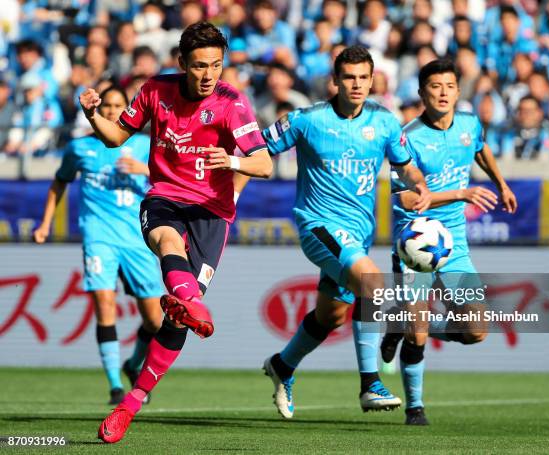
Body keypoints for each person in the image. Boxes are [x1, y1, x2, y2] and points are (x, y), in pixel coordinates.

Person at [81, 22, 272, 443]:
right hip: (165, 198)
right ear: (182, 63)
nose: (209, 75)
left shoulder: (231, 103)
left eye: (217, 66)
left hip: (212, 214)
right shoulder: (155, 90)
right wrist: (93, 114)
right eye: (200, 65)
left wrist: (234, 162)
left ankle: (130, 404)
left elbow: (264, 164)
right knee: (167, 240)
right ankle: (190, 301)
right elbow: (116, 138)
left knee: (177, 323)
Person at [261, 45, 431, 419]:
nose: (356, 84)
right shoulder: (306, 120)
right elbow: (256, 147)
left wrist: (419, 186)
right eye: (349, 77)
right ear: (334, 81)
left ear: (372, 81)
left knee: (331, 316)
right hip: (317, 225)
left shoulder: (385, 122)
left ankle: (282, 366)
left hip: (358, 234)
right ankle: (370, 383)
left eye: (363, 78)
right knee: (372, 282)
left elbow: (406, 167)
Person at [379, 59, 518, 425]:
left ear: (458, 90)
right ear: (422, 93)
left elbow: (480, 149)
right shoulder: (408, 138)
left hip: (453, 243)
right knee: (420, 331)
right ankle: (415, 408)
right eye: (435, 87)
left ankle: (399, 323)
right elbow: (405, 199)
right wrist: (461, 193)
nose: (442, 93)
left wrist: (501, 183)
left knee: (476, 331)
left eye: (449, 86)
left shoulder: (470, 124)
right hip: (415, 244)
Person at [33, 86, 163, 405]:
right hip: (98, 237)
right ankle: (115, 386)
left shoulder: (144, 145)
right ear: (99, 109)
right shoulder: (80, 148)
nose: (112, 111)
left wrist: (145, 169)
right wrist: (45, 222)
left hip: (137, 238)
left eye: (119, 106)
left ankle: (133, 364)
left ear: (129, 109)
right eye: (107, 105)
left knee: (155, 321)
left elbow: (171, 179)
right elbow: (59, 183)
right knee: (105, 305)